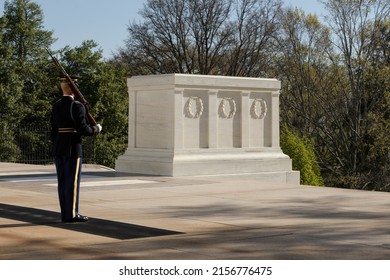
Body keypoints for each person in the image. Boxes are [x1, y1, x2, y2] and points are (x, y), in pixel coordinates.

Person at [50, 76, 102, 223]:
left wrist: (57, 144)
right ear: (74, 88)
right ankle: (71, 214)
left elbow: (53, 131)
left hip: (59, 146)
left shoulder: (56, 105)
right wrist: (96, 129)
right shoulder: (77, 106)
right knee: (72, 182)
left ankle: (65, 213)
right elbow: (83, 130)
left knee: (62, 182)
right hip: (73, 147)